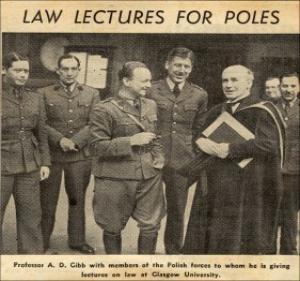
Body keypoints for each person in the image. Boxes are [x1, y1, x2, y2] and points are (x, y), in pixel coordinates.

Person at [184, 65, 285, 254]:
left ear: (249, 82)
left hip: (246, 186)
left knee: (238, 240)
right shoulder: (217, 110)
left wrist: (230, 149)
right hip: (215, 184)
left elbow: (268, 144)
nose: (228, 85)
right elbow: (199, 135)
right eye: (225, 80)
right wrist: (200, 142)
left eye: (234, 80)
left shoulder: (263, 110)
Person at [90, 61, 165, 254]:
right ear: (126, 81)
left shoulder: (151, 105)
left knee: (151, 224)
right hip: (115, 177)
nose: (149, 85)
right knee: (112, 226)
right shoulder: (104, 109)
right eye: (144, 81)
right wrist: (131, 141)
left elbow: (154, 135)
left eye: (150, 80)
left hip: (148, 175)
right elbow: (96, 146)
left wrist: (159, 156)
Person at [146, 47, 208, 254]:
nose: (181, 70)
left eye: (186, 66)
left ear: (191, 69)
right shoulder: (151, 90)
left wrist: (195, 153)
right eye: (177, 65)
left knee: (177, 208)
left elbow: (200, 129)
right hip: (152, 155)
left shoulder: (199, 94)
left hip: (182, 159)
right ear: (167, 65)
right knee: (150, 207)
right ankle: (145, 249)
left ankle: (172, 249)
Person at [39, 54, 99, 254]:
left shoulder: (92, 93)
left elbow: (95, 124)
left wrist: (75, 141)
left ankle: (77, 241)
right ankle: (42, 241)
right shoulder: (44, 93)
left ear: (79, 70)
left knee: (77, 199)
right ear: (58, 71)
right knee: (47, 200)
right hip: (53, 156)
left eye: (73, 69)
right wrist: (60, 140)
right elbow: (41, 123)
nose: (69, 73)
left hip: (78, 156)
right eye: (65, 69)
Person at [1, 52, 50, 254]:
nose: (23, 75)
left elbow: (42, 132)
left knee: (31, 217)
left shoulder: (34, 97)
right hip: (2, 164)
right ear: (3, 70)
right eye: (18, 70)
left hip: (29, 164)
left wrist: (45, 162)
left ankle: (31, 263)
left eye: (26, 71)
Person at [277, 73, 299, 255]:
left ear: (298, 88)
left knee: (290, 215)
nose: (288, 90)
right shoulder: (271, 109)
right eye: (285, 86)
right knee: (269, 213)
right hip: (272, 171)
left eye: (292, 86)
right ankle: (267, 252)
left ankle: (289, 254)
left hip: (294, 172)